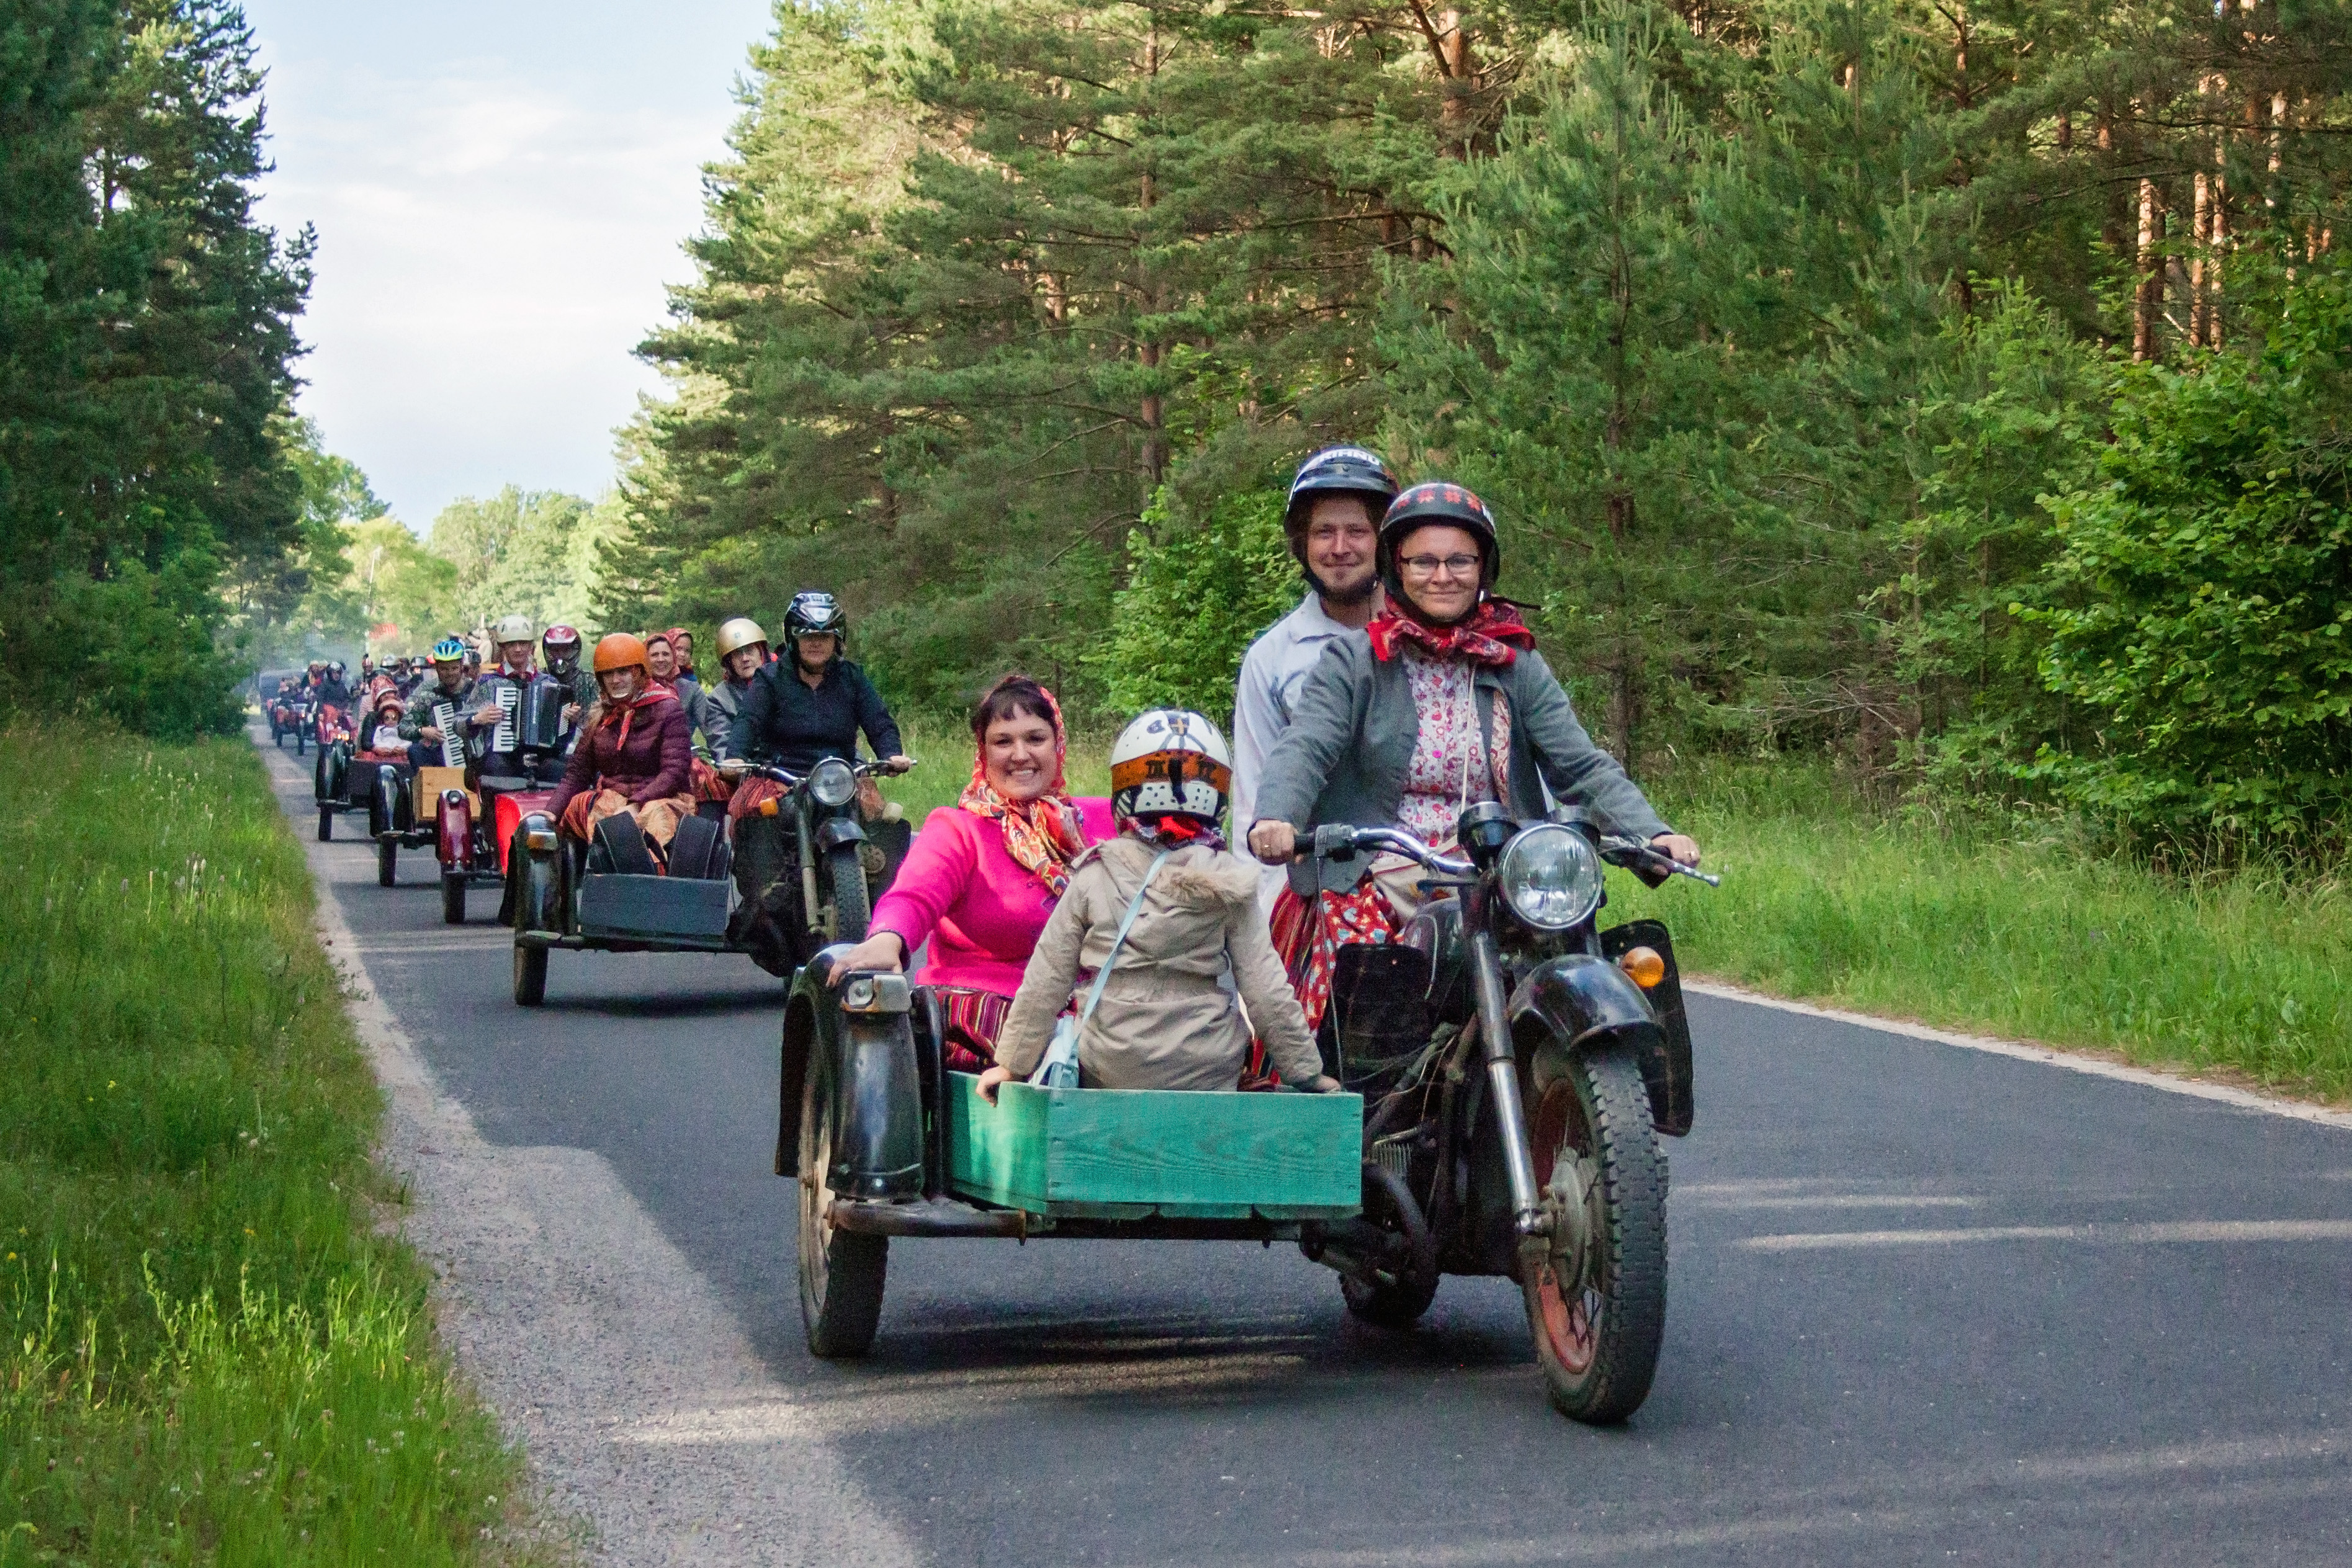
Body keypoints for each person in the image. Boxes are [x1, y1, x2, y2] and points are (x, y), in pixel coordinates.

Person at [1244, 481, 1702, 1033]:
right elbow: (1306, 746)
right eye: (1424, 562)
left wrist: (1651, 834)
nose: (1443, 576)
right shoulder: (1354, 658)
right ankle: (1354, 1099)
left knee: (1579, 954)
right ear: (1397, 568)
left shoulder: (1515, 662)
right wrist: (1278, 817)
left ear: (1484, 568)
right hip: (1383, 872)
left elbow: (1580, 765)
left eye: (1460, 560)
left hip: (1503, 873)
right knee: (1361, 984)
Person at [975, 710, 1334, 1100]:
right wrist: (1307, 1074)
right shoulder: (1231, 883)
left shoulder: (1095, 875)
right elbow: (1266, 992)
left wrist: (1011, 1064)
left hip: (1110, 1066)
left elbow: (1047, 979)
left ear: (1124, 793)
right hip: (1207, 1068)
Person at [830, 676, 1114, 1068]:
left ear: (1058, 744)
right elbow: (914, 894)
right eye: (1003, 741)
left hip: (1102, 1006)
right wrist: (888, 939)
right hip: (989, 1008)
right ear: (983, 752)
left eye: (1035, 739)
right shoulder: (958, 829)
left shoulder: (1103, 820)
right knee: (1049, 1048)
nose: (1020, 754)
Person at [1232, 447, 1401, 913]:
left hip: (1431, 880)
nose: (1340, 547)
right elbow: (1254, 803)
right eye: (1324, 532)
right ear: (1302, 544)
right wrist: (1264, 942)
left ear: (1386, 542)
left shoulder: (1430, 640)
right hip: (1322, 893)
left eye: (1357, 531)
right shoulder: (1273, 658)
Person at [547, 634, 695, 863]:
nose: (616, 680)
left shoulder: (668, 709)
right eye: (609, 674)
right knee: (599, 814)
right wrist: (551, 811)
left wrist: (637, 804)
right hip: (614, 798)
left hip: (664, 799)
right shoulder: (599, 716)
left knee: (653, 818)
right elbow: (577, 774)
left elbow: (674, 773)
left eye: (623, 672)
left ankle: (650, 885)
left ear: (639, 673)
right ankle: (598, 883)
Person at [734, 591, 909, 775]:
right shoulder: (769, 678)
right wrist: (736, 756)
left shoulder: (853, 677)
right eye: (808, 636)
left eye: (824, 636)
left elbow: (878, 721)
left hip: (840, 779)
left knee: (878, 805)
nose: (816, 643)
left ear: (837, 641)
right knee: (748, 805)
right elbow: (748, 720)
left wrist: (891, 753)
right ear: (794, 639)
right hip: (780, 777)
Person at [647, 631, 725, 761]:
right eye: (655, 655)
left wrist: (724, 761)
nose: (661, 659)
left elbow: (711, 729)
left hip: (681, 756)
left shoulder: (691, 688)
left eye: (666, 654)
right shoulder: (638, 688)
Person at [398, 638, 478, 764]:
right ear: (436, 668)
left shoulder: (476, 690)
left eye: (454, 668)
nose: (450, 673)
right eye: (444, 669)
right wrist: (422, 731)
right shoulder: (427, 693)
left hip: (476, 758)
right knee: (416, 751)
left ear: (462, 666)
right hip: (440, 755)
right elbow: (403, 727)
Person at [707, 616, 770, 761]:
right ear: (729, 663)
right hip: (746, 769)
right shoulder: (718, 699)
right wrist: (733, 767)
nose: (745, 658)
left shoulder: (782, 682)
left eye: (749, 651)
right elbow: (721, 745)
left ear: (761, 653)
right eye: (738, 654)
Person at [542, 624, 594, 730]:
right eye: (555, 651)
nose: (560, 656)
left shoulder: (589, 681)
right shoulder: (538, 680)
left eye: (566, 651)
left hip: (580, 742)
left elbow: (600, 719)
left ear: (575, 650)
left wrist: (578, 720)